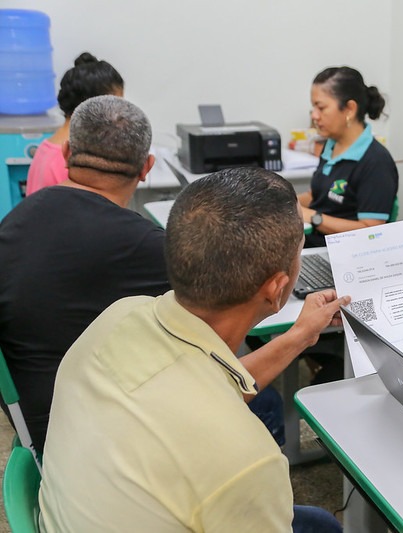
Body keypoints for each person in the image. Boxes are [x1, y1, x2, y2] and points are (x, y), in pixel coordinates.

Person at [39, 167, 349, 532]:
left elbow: (213, 384)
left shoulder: (119, 317)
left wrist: (299, 336)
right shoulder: (247, 461)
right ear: (277, 288)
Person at [0, 95, 168, 456]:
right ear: (146, 167)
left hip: (36, 426)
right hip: (96, 445)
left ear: (66, 153)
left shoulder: (16, 221)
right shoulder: (146, 246)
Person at [299, 66, 399, 248]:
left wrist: (314, 218)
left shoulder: (375, 162)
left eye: (321, 108)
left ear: (350, 109)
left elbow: (371, 231)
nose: (314, 115)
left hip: (344, 257)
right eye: (313, 107)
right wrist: (283, 204)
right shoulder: (331, 145)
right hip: (312, 247)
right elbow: (316, 195)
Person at [26, 52, 124, 195]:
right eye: (117, 105)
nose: (120, 115)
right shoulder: (70, 162)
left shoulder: (46, 149)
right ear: (91, 105)